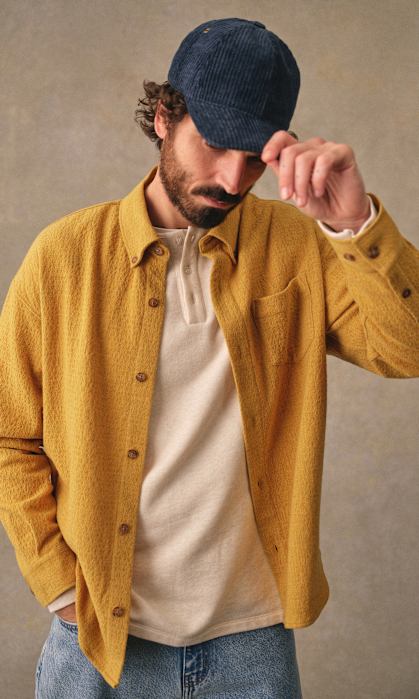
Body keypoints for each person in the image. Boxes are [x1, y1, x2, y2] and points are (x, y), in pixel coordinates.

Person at [0, 16, 418, 699]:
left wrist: (352, 225)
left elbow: (408, 348)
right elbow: (9, 434)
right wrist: (59, 586)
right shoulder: (64, 258)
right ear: (164, 116)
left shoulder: (300, 245)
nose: (232, 177)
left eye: (254, 157)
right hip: (100, 639)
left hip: (251, 642)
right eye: (216, 143)